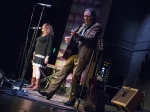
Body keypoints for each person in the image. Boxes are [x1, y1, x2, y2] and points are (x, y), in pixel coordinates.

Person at [38, 8, 102, 106]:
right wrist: (70, 38)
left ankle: (72, 100)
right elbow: (76, 37)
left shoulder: (96, 27)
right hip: (74, 53)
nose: (86, 18)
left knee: (76, 75)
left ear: (93, 16)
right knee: (63, 72)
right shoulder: (82, 25)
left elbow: (90, 39)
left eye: (88, 16)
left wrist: (77, 35)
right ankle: (49, 92)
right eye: (85, 16)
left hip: (83, 54)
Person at [26, 23, 54, 91]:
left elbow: (49, 47)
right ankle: (32, 83)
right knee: (34, 68)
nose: (42, 28)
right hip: (37, 53)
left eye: (44, 27)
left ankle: (37, 85)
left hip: (42, 54)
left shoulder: (49, 36)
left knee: (37, 68)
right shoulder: (42, 35)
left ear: (47, 28)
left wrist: (47, 56)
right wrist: (34, 52)